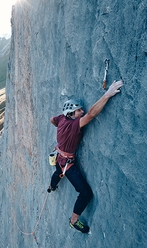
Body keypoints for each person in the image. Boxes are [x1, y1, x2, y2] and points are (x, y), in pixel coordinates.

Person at [48, 80, 124, 233]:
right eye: (79, 111)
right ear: (71, 113)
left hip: (59, 157)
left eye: (81, 110)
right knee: (85, 193)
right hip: (68, 163)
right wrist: (107, 94)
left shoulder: (61, 119)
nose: (82, 112)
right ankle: (74, 221)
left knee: (58, 172)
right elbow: (92, 114)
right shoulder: (73, 125)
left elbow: (52, 120)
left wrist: (62, 134)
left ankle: (51, 187)